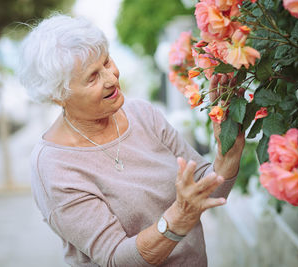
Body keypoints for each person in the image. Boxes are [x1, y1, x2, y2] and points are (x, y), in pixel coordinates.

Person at [18, 14, 245, 267]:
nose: (111, 78)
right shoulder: (54, 166)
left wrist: (229, 153)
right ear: (59, 95)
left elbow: (205, 190)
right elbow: (117, 259)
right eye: (93, 77)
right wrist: (180, 215)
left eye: (106, 61)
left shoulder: (142, 114)